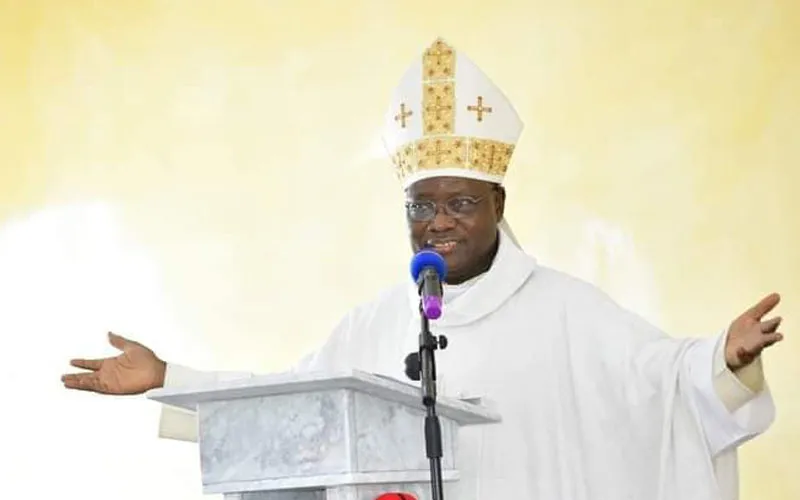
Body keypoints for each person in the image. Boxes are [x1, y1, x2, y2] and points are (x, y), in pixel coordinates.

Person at [62, 38, 785, 500]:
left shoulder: (567, 310)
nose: (438, 222)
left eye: (460, 202)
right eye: (421, 205)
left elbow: (659, 380)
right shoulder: (374, 326)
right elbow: (288, 406)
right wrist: (170, 377)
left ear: (499, 204)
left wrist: (720, 361)